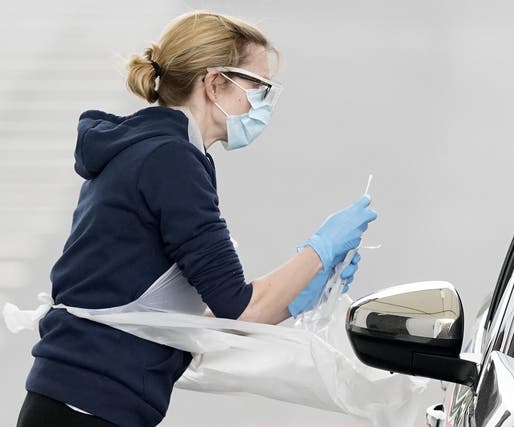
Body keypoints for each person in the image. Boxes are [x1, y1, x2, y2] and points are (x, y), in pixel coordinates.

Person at [15, 11, 377, 427]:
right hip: (88, 407)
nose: (263, 103)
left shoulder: (155, 151)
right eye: (258, 87)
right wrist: (320, 248)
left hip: (79, 403)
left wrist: (299, 294)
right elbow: (241, 310)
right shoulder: (171, 162)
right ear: (213, 83)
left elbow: (191, 320)